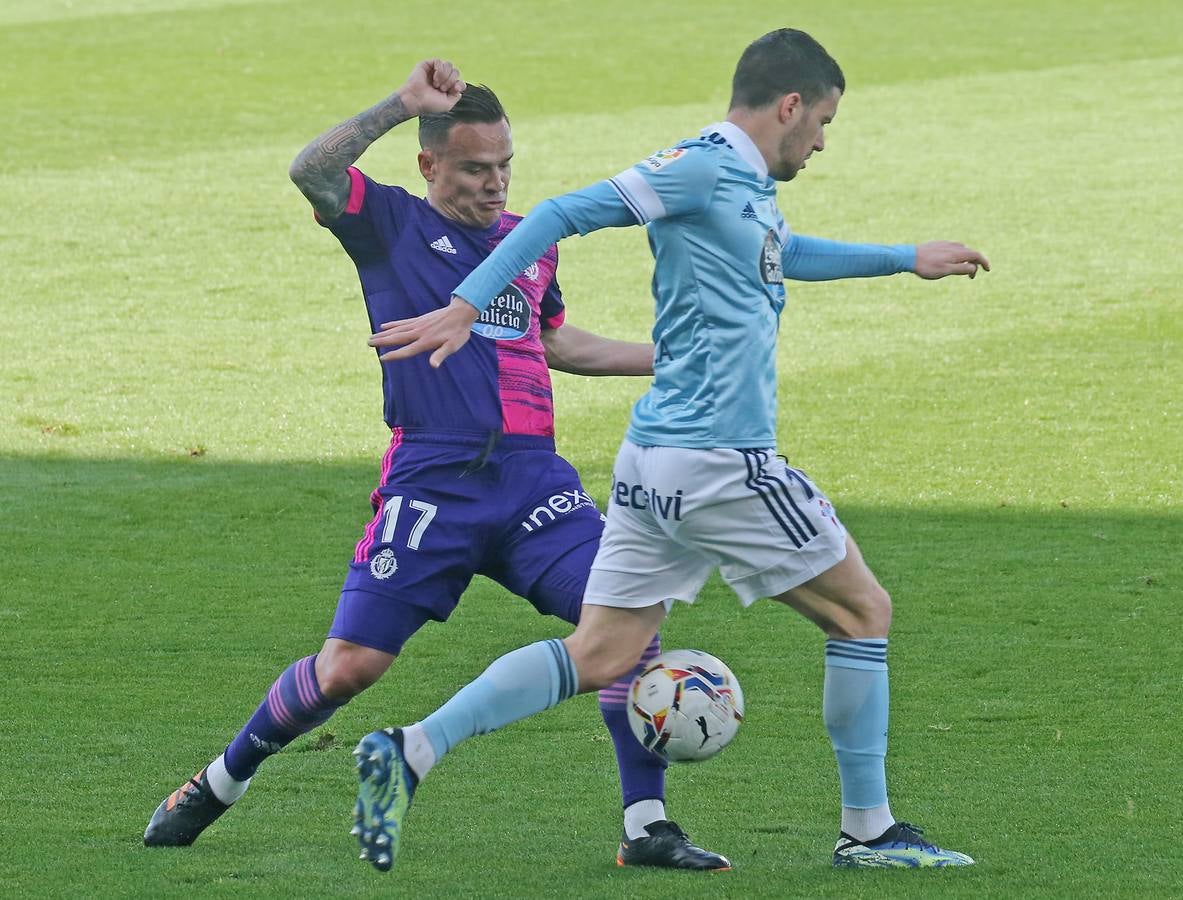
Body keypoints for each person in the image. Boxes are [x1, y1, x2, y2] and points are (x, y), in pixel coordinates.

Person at [357, 29, 990, 871]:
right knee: (861, 611)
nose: (823, 141)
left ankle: (411, 750)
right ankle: (867, 831)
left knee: (602, 653)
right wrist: (467, 303)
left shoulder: (745, 187)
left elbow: (784, 253)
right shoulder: (697, 167)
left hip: (653, 464)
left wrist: (906, 258)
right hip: (719, 459)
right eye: (824, 121)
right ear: (790, 105)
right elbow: (557, 213)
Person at [142, 58, 730, 873]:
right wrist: (398, 104)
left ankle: (645, 826)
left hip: (533, 483)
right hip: (432, 482)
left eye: (504, 166)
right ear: (429, 165)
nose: (494, 185)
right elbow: (310, 170)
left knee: (628, 624)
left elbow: (556, 343)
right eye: (474, 169)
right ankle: (218, 781)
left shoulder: (532, 242)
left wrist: (672, 359)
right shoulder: (386, 223)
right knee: (350, 668)